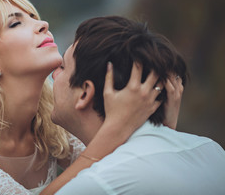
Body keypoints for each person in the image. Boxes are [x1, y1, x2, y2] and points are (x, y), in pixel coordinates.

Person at [0, 0, 178, 195]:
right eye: (15, 23)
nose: (43, 24)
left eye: (35, 17)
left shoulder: (50, 124)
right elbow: (102, 153)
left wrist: (165, 127)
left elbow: (124, 163)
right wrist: (115, 128)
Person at [48, 16, 225, 194]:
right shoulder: (211, 150)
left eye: (62, 67)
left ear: (85, 93)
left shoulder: (99, 183)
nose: (54, 74)